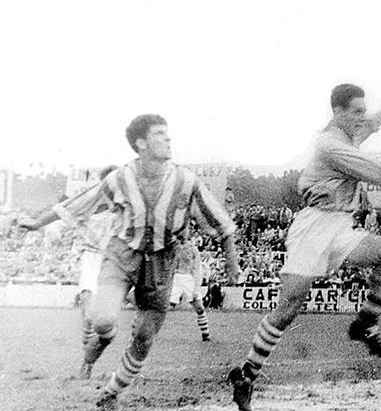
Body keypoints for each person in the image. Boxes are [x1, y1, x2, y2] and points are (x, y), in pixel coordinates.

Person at [229, 62, 381, 411]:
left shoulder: (352, 131)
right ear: (337, 112)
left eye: (364, 111)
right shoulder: (330, 145)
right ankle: (247, 373)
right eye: (357, 112)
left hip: (340, 224)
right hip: (313, 226)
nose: (363, 118)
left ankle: (365, 323)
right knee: (288, 308)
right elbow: (380, 176)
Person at [18, 114, 240, 411]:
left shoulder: (185, 181)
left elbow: (220, 222)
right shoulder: (120, 178)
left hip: (162, 260)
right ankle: (105, 336)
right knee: (104, 319)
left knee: (144, 336)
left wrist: (232, 263)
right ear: (141, 143)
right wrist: (36, 223)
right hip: (122, 254)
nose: (168, 139)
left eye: (168, 133)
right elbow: (75, 205)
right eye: (160, 134)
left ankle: (110, 394)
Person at [70, 165, 118, 348]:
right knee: (88, 309)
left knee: (104, 318)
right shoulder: (90, 202)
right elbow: (69, 214)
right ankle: (86, 347)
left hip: (113, 260)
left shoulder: (125, 204)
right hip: (92, 256)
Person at [169, 237, 211, 341]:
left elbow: (197, 269)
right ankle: (149, 333)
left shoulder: (193, 249)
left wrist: (196, 288)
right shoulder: (172, 247)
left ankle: (206, 336)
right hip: (174, 278)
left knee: (200, 308)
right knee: (164, 308)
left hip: (188, 279)